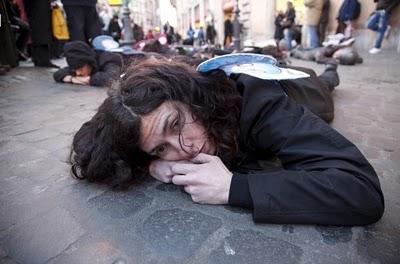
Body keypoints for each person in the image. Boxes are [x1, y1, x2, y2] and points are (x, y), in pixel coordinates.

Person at [69, 55, 384, 226]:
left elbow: (361, 192)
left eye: (176, 123)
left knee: (325, 83)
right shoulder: (164, 133)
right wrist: (152, 163)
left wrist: (235, 188)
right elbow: (97, 144)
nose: (185, 148)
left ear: (190, 98)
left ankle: (331, 69)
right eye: (162, 147)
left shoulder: (260, 104)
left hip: (304, 90)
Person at [53, 41, 122, 87]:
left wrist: (89, 79)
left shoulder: (108, 59)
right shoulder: (80, 65)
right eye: (75, 69)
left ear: (89, 62)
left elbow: (113, 78)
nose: (77, 73)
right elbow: (58, 74)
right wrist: (72, 79)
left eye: (80, 69)